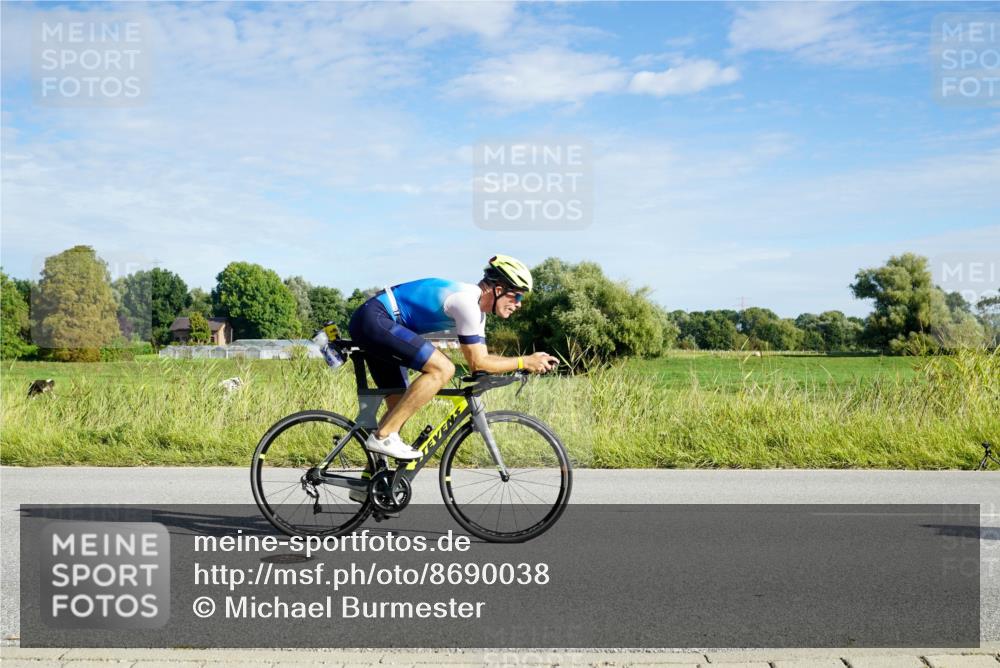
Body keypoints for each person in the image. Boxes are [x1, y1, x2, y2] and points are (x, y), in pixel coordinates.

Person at [347, 255, 559, 460]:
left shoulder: (478, 313)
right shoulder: (466, 302)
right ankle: (382, 437)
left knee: (399, 407)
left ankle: (373, 475)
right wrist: (525, 361)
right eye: (517, 296)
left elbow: (482, 361)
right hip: (375, 318)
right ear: (498, 290)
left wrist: (524, 363)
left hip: (380, 323)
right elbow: (478, 363)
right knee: (443, 369)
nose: (519, 304)